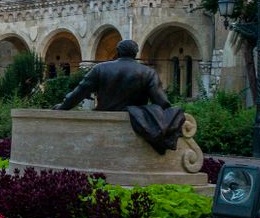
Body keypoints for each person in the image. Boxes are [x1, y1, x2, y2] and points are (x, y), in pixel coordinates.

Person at [54, 39, 183, 153]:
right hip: (135, 124)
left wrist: (62, 107)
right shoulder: (148, 73)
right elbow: (161, 102)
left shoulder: (100, 69)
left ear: (118, 51)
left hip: (103, 122)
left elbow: (79, 92)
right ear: (136, 53)